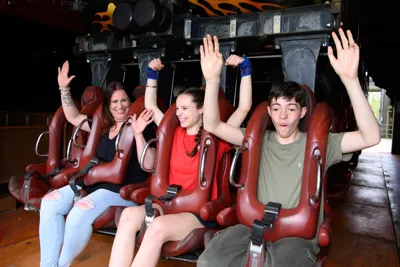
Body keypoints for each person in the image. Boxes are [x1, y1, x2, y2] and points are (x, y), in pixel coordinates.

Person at [197, 29, 381, 267]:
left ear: (302, 112)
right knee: (208, 262)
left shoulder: (318, 145)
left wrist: (350, 79)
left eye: (291, 109)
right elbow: (212, 124)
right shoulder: (257, 140)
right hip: (254, 226)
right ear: (270, 112)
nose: (283, 115)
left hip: (297, 234)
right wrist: (212, 81)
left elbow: (371, 136)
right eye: (276, 108)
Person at [108, 55, 253, 267]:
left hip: (195, 212)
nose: (179, 114)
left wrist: (245, 70)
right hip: (168, 204)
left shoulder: (216, 135)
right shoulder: (173, 133)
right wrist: (152, 75)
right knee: (128, 216)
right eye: (177, 109)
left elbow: (244, 108)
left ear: (201, 109)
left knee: (157, 228)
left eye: (185, 109)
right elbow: (150, 104)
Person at [39, 60, 155, 267]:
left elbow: (149, 163)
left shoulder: (141, 126)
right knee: (49, 202)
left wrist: (138, 134)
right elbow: (72, 116)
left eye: (124, 101)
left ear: (130, 101)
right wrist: (63, 88)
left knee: (79, 211)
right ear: (109, 107)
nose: (121, 106)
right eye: (115, 102)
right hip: (94, 185)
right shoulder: (101, 128)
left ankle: (60, 265)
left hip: (122, 191)